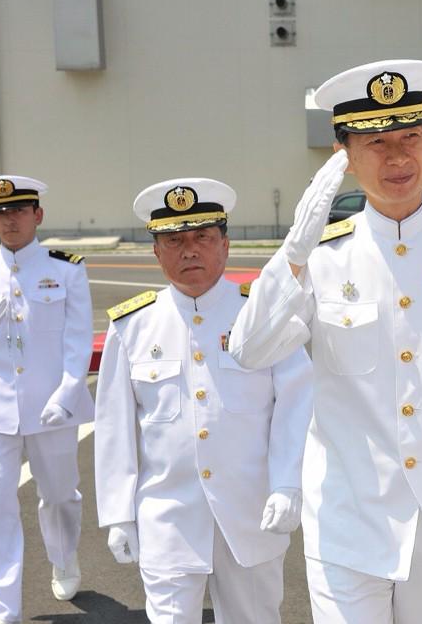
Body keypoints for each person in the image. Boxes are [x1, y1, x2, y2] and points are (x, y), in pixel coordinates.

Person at [228, 59, 422, 624]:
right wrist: (292, 255)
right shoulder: (320, 258)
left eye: (411, 138)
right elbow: (250, 351)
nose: (398, 157)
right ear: (343, 154)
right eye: (376, 142)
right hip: (347, 520)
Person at [94, 178, 313, 623]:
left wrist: (289, 484)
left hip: (252, 513)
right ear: (156, 252)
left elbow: (297, 402)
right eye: (173, 240)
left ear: (225, 246)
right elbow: (115, 426)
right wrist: (117, 513)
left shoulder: (262, 314)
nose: (189, 250)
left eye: (202, 237)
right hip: (168, 517)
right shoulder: (132, 326)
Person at [0, 174, 93, 624]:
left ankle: (64, 556)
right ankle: (1, 608)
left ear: (38, 215)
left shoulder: (65, 269)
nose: (8, 220)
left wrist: (69, 393)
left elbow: (77, 342)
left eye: (16, 211)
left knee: (59, 495)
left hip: (53, 405)